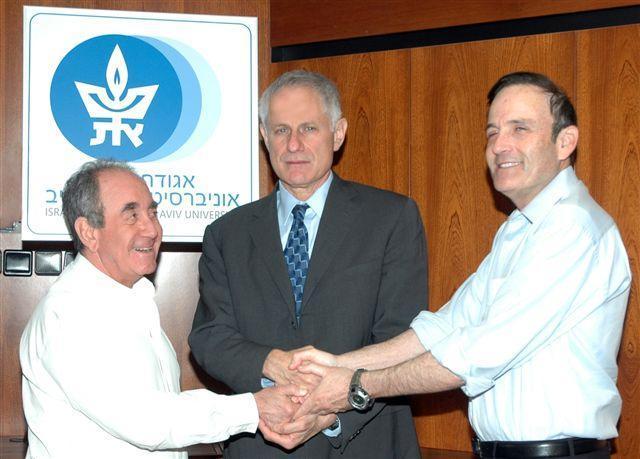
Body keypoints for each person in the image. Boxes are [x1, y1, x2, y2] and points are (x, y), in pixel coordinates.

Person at [284, 72, 631, 459]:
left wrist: (358, 385)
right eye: (493, 131)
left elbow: (474, 355)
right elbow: (444, 328)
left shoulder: (573, 228)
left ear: (565, 141)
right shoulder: (519, 229)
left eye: (520, 128)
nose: (501, 145)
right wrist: (338, 364)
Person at [189, 70, 428, 457]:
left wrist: (327, 415)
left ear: (338, 133)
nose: (294, 144)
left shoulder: (390, 218)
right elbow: (210, 337)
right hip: (261, 443)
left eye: (309, 128)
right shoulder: (226, 233)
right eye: (281, 130)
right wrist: (269, 363)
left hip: (362, 439)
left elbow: (402, 339)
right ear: (264, 137)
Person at [20, 160, 303, 459]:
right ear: (89, 232)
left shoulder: (135, 301)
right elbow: (145, 420)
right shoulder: (69, 314)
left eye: (152, 213)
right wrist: (253, 408)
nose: (151, 228)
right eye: (131, 215)